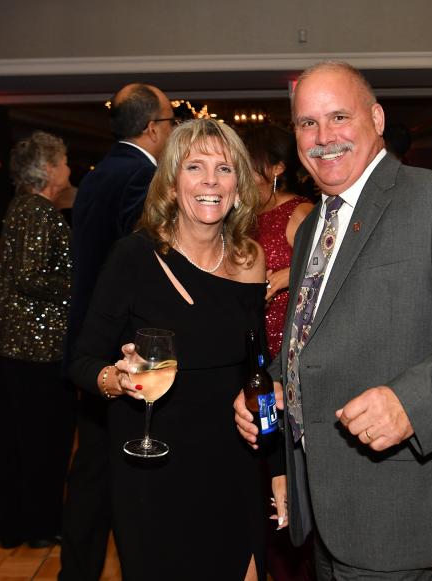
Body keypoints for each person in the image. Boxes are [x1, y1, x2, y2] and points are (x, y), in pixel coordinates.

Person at [234, 61, 432, 579]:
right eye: (307, 123)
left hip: (396, 502)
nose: (323, 137)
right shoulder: (315, 225)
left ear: (376, 118)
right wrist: (284, 391)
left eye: (338, 117)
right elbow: (316, 336)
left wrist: (412, 403)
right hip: (324, 502)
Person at [69, 119, 282, 581]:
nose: (210, 181)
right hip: (153, 465)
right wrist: (119, 380)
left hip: (233, 462)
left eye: (223, 168)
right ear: (171, 181)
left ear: (238, 185)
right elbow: (82, 362)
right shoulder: (133, 258)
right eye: (195, 167)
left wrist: (277, 464)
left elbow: (258, 369)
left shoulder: (250, 259)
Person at [59, 83, 175, 580]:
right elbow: (144, 263)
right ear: (152, 128)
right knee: (128, 478)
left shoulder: (98, 174)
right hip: (124, 352)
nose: (172, 130)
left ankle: (77, 571)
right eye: (171, 122)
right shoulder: (139, 178)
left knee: (91, 474)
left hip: (89, 342)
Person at [0, 131, 76, 549]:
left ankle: (11, 524)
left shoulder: (20, 207)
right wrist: (78, 284)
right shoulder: (40, 211)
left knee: (13, 442)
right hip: (34, 349)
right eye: (65, 161)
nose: (70, 168)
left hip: (9, 345)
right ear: (48, 169)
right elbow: (31, 277)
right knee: (42, 443)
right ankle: (39, 526)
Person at [243, 125, 314, 358]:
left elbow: (339, 270)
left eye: (249, 167)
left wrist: (291, 275)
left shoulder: (300, 212)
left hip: (292, 341)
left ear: (277, 168)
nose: (241, 176)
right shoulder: (243, 216)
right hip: (253, 335)